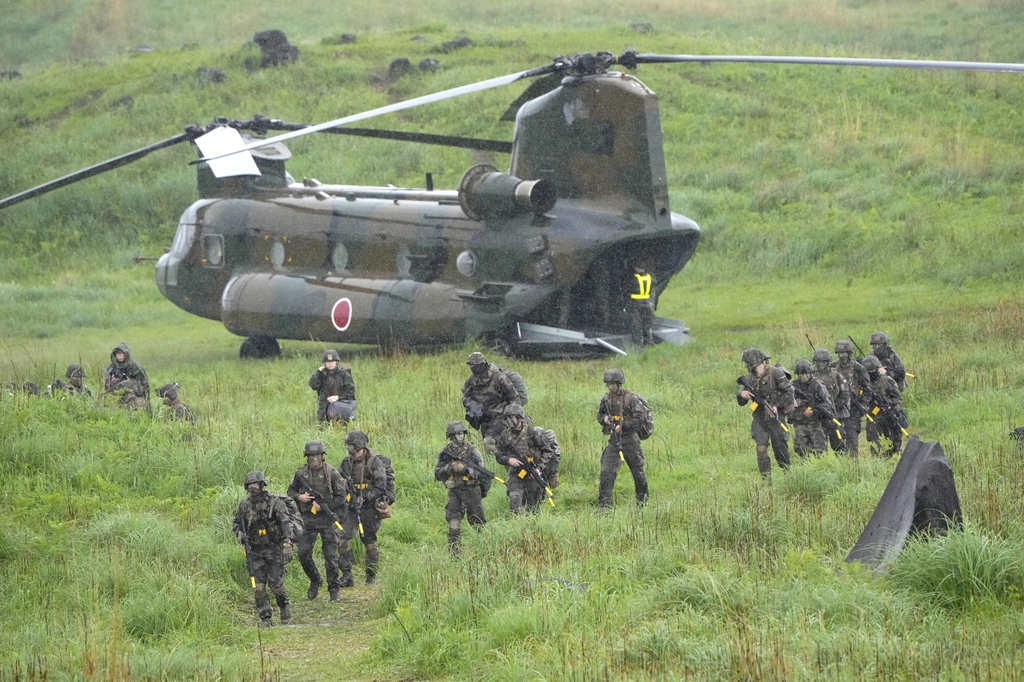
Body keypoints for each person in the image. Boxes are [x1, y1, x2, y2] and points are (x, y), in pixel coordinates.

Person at [233, 471, 295, 627]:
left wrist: (287, 543)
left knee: (276, 585)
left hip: (274, 549)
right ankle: (265, 617)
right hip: (255, 551)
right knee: (258, 587)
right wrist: (240, 534)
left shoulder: (274, 502)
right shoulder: (244, 505)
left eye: (255, 484)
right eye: (250, 485)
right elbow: (236, 524)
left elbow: (286, 523)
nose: (253, 488)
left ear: (262, 485)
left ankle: (284, 605)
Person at [287, 440, 346, 602]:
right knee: (303, 553)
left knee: (330, 556)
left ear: (322, 456)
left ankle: (334, 590)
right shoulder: (300, 474)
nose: (314, 459)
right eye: (311, 456)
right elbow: (290, 491)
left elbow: (341, 498)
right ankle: (315, 579)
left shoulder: (332, 473)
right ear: (307, 457)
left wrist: (325, 506)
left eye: (317, 455)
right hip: (307, 520)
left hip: (327, 520)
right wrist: (300, 497)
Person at [337, 430, 388, 585]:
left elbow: (381, 486)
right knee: (341, 540)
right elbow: (336, 481)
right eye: (351, 450)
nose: (354, 454)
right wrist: (343, 486)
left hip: (369, 509)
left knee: (370, 544)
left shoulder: (374, 463)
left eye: (356, 450)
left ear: (363, 448)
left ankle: (370, 577)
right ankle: (347, 575)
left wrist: (366, 496)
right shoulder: (346, 463)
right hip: (350, 508)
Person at [737, 348, 795, 479]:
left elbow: (790, 392)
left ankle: (788, 473)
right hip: (759, 419)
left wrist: (777, 406)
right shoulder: (749, 379)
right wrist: (742, 395)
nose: (747, 366)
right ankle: (766, 479)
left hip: (776, 417)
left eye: (748, 363)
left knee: (780, 449)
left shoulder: (776, 373)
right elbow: (741, 402)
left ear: (755, 362)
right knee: (761, 448)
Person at [596, 368, 650, 508]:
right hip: (614, 441)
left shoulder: (631, 398)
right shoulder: (606, 399)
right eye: (608, 384)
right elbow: (599, 415)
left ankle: (642, 502)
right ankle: (604, 506)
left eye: (612, 384)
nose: (610, 387)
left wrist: (623, 426)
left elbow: (639, 419)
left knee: (638, 472)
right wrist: (605, 419)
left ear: (619, 383)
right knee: (607, 472)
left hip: (630, 440)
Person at [433, 421, 488, 554]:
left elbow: (482, 473)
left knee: (478, 523)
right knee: (453, 523)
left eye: (462, 433)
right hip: (455, 493)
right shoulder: (445, 453)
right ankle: (454, 554)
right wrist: (448, 468)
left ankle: (484, 550)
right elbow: (437, 473)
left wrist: (465, 470)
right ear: (451, 436)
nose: (460, 436)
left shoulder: (472, 451)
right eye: (457, 434)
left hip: (472, 491)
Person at [494, 403, 557, 514]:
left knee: (533, 508)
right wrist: (508, 460)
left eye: (512, 417)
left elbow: (548, 452)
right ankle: (519, 526)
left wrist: (539, 468)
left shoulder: (533, 433)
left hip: (533, 475)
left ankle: (532, 528)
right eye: (507, 418)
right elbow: (498, 454)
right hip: (515, 474)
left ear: (519, 418)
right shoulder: (505, 435)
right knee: (515, 503)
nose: (509, 421)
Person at [462, 352, 519, 456]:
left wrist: (514, 416)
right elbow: (465, 396)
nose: (472, 367)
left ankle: (499, 461)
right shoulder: (471, 380)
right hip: (484, 418)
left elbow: (513, 397)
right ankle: (497, 461)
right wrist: (472, 406)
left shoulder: (499, 377)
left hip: (500, 416)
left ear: (483, 364)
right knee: (492, 443)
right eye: (471, 365)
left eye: (475, 365)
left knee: (489, 442)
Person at [861, 356, 907, 458]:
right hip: (873, 416)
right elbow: (861, 400)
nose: (871, 374)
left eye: (873, 371)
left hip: (889, 414)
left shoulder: (887, 380)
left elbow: (897, 398)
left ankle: (896, 453)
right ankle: (877, 458)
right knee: (873, 439)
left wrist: (890, 406)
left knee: (894, 439)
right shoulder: (864, 384)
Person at [789, 359, 833, 458]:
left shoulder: (818, 385)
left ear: (810, 373)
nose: (803, 377)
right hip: (800, 423)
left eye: (806, 374)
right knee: (801, 451)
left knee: (820, 452)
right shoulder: (793, 387)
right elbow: (787, 404)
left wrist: (813, 411)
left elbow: (827, 404)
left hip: (816, 424)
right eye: (801, 375)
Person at [833, 340, 869, 457]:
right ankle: (841, 466)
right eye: (839, 353)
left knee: (852, 438)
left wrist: (863, 404)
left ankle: (853, 468)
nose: (842, 356)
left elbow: (868, 389)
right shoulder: (833, 367)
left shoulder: (859, 368)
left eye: (844, 353)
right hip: (838, 406)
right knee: (837, 439)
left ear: (850, 353)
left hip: (853, 408)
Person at [812, 349, 850, 454]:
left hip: (835, 416)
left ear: (828, 362)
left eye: (824, 362)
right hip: (818, 416)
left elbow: (845, 394)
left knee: (839, 444)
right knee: (819, 448)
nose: (821, 364)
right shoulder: (813, 377)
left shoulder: (836, 375)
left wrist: (835, 407)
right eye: (819, 362)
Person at [309, 350, 357, 425]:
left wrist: (338, 397)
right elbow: (313, 385)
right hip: (324, 407)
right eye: (327, 362)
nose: (330, 364)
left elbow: (350, 391)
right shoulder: (322, 374)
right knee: (323, 427)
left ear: (336, 361)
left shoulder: (343, 374)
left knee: (342, 426)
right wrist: (318, 371)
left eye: (332, 361)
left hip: (341, 405)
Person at [625, 262, 656, 348]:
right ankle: (649, 343)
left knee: (636, 324)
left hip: (636, 303)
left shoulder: (633, 279)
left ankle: (638, 344)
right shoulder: (649, 278)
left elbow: (627, 289)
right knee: (647, 324)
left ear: (636, 268)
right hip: (647, 302)